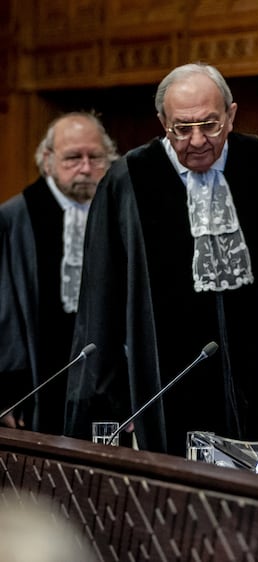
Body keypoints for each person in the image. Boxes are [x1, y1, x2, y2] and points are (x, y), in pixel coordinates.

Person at [63, 62, 258, 457]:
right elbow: (102, 298)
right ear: (162, 122)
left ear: (231, 115)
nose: (197, 140)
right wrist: (112, 397)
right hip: (161, 391)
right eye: (181, 129)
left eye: (211, 125)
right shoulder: (128, 180)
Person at [0, 111, 118, 435]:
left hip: (107, 389)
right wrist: (7, 391)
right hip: (36, 391)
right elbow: (5, 314)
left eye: (95, 157)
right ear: (48, 160)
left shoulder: (121, 212)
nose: (85, 168)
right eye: (72, 158)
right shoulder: (14, 220)